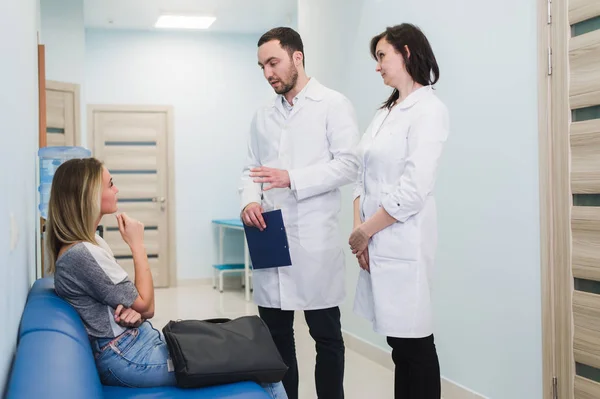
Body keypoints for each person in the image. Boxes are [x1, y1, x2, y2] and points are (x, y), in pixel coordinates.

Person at [46, 158, 287, 398]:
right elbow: (147, 305)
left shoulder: (91, 244)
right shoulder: (81, 254)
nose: (116, 189)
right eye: (110, 184)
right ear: (89, 195)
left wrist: (135, 310)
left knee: (253, 352)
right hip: (127, 358)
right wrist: (137, 245)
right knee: (262, 370)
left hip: (135, 341)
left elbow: (130, 304)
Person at [239, 27, 360, 399]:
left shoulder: (333, 105)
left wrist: (292, 178)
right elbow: (250, 169)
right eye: (261, 66)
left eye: (273, 62)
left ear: (297, 57)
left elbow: (350, 165)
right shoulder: (262, 117)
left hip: (313, 242)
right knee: (275, 338)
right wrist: (248, 200)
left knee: (326, 337)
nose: (267, 73)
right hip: (270, 239)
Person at [348, 23, 449, 399]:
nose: (377, 66)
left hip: (404, 239)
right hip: (376, 240)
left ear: (406, 52)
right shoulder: (385, 111)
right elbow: (361, 173)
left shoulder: (430, 110)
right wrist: (360, 230)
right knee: (398, 344)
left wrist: (366, 232)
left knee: (417, 344)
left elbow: (414, 189)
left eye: (381, 56)